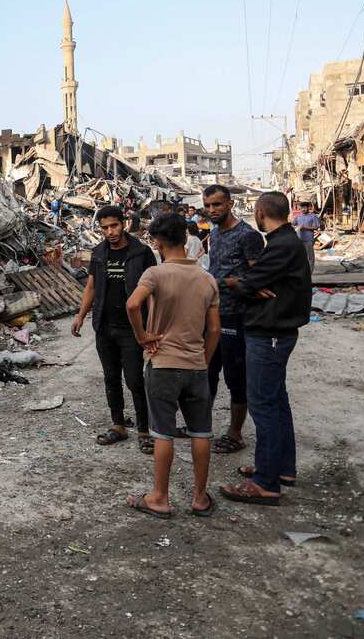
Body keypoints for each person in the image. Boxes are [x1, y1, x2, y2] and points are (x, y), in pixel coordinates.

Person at [123, 214, 222, 519]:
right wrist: (203, 360)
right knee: (201, 432)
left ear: (159, 242)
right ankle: (200, 498)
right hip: (195, 366)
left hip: (163, 363)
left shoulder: (155, 274)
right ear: (184, 237)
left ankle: (159, 498)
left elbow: (132, 304)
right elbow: (215, 329)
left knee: (163, 433)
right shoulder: (207, 278)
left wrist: (143, 337)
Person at [218, 191, 312, 506]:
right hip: (273, 331)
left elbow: (247, 283)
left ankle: (266, 483)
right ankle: (280, 468)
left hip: (269, 333)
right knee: (276, 401)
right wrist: (248, 284)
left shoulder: (282, 245)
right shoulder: (284, 243)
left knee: (263, 405)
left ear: (260, 212)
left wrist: (238, 283)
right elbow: (253, 282)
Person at [71, 205, 158, 454]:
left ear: (124, 224)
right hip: (105, 326)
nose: (110, 232)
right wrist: (80, 316)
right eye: (105, 227)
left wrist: (152, 323)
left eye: (114, 226)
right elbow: (91, 287)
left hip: (132, 328)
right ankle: (118, 425)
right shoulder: (99, 253)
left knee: (134, 379)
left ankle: (143, 429)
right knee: (111, 378)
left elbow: (153, 290)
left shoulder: (142, 253)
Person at [202, 184, 264, 455]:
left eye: (217, 204)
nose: (212, 210)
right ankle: (201, 424)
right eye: (208, 206)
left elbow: (258, 278)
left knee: (236, 377)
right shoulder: (214, 233)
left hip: (237, 316)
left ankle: (235, 434)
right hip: (212, 312)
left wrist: (228, 282)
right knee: (208, 372)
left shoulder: (247, 235)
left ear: (230, 204)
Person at [292, 202, 322, 273]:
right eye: (302, 208)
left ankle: (310, 272)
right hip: (299, 239)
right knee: (300, 257)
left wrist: (305, 227)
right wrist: (295, 227)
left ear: (308, 208)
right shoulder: (298, 217)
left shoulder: (313, 216)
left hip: (308, 239)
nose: (303, 209)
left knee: (310, 257)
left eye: (305, 208)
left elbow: (316, 227)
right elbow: (293, 225)